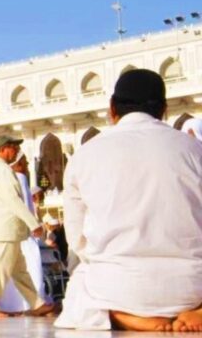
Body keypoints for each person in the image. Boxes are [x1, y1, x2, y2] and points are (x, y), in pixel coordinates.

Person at [57, 69, 202, 332]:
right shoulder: (195, 150)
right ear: (164, 110)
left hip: (118, 290)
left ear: (112, 108)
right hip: (192, 288)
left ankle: (124, 316)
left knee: (81, 282)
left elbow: (78, 241)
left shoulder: (84, 155)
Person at [0, 135, 52, 318]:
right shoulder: (2, 170)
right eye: (13, 147)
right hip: (6, 228)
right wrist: (33, 223)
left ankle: (36, 304)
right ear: (3, 149)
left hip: (3, 228)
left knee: (19, 270)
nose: (17, 152)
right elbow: (13, 199)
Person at [0, 151, 47, 312]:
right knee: (31, 267)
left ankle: (21, 305)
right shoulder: (20, 178)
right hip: (25, 233)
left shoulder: (10, 178)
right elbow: (24, 205)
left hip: (14, 231)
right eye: (24, 162)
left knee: (18, 271)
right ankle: (35, 303)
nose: (26, 165)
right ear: (18, 164)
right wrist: (34, 225)